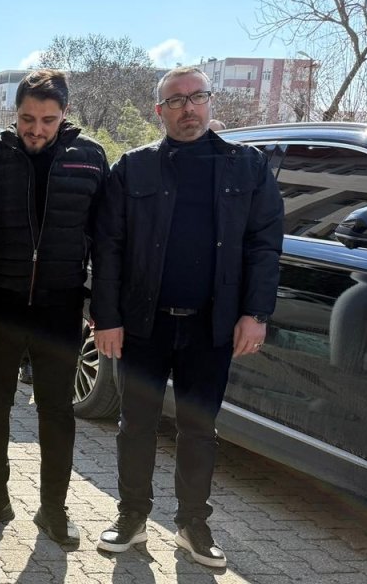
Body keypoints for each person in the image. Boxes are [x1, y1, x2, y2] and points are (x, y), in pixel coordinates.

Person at [91, 66, 283, 568]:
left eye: (197, 97)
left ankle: (192, 525)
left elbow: (265, 245)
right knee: (136, 424)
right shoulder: (133, 168)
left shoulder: (248, 167)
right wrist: (105, 316)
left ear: (210, 102)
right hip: (143, 323)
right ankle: (131, 516)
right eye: (176, 101)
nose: (188, 108)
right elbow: (108, 246)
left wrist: (255, 313)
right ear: (160, 112)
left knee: (199, 429)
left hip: (211, 326)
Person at [0, 69, 109, 546]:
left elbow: (107, 240)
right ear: (14, 113)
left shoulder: (91, 160)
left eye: (47, 119)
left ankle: (53, 510)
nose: (36, 129)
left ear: (64, 116)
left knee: (56, 410)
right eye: (27, 118)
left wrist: (102, 304)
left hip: (61, 306)